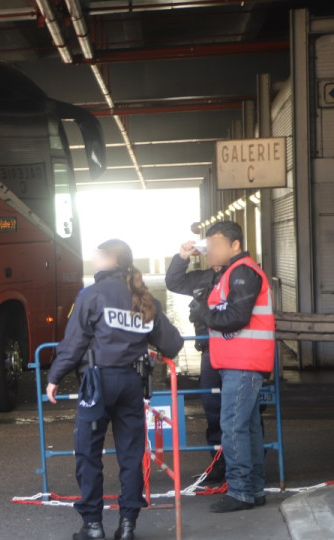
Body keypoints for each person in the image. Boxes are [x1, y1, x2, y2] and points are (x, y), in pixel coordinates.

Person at [47, 239, 184, 540]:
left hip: (97, 383)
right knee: (132, 455)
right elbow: (172, 344)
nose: (93, 260)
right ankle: (127, 526)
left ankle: (93, 526)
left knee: (88, 453)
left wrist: (54, 377)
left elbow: (73, 344)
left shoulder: (91, 296)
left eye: (97, 256)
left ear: (108, 260)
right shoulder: (145, 298)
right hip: (132, 385)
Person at [188, 221, 275, 513]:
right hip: (239, 362)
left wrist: (203, 311)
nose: (210, 251)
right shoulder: (233, 272)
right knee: (247, 428)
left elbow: (236, 316)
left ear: (235, 245)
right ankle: (253, 490)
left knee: (233, 427)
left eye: (215, 244)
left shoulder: (242, 272)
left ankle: (240, 492)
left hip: (243, 362)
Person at [165, 240, 225, 483]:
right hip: (210, 351)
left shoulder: (243, 275)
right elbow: (174, 282)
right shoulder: (204, 278)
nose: (211, 253)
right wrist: (182, 256)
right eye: (209, 248)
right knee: (213, 410)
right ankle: (219, 463)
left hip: (237, 350)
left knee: (240, 411)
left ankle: (246, 465)